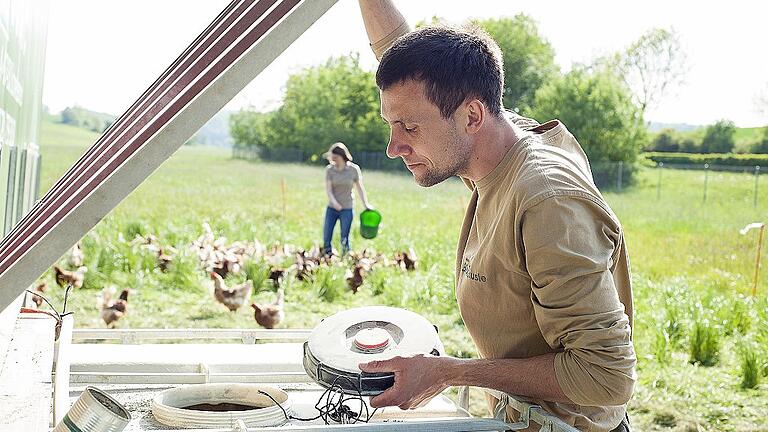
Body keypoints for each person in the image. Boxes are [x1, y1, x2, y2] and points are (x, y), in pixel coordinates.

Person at [355, 2, 636, 431]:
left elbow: (607, 377)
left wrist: (450, 371)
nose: (394, 147)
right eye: (390, 125)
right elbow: (409, 64)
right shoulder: (488, 142)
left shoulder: (546, 199)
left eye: (408, 128)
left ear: (471, 116)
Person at [323, 142, 371, 256]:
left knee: (345, 237)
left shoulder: (353, 169)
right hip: (332, 208)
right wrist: (334, 203)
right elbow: (329, 190)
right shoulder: (330, 170)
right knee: (326, 236)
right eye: (332, 157)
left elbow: (360, 189)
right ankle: (327, 256)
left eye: (336, 157)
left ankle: (345, 257)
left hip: (347, 208)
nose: (333, 160)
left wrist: (366, 204)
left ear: (342, 156)